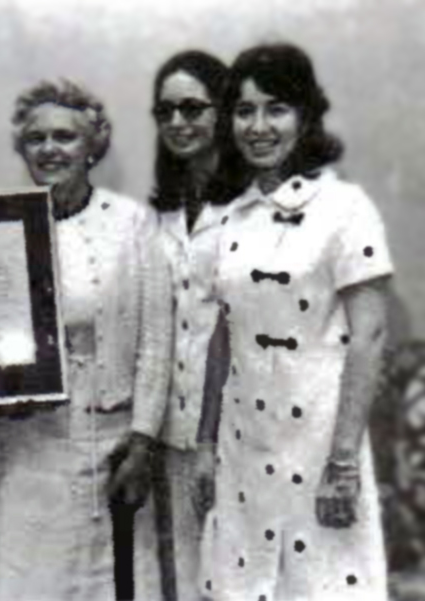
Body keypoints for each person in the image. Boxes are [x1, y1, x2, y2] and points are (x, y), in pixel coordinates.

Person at [0, 79, 173, 601]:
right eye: (37, 138)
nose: (51, 149)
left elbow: (156, 341)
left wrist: (143, 441)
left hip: (115, 445)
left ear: (91, 146)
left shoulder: (133, 225)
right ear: (22, 148)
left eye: (65, 136)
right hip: (25, 447)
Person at [199, 43, 391, 601]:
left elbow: (370, 337)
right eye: (244, 110)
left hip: (320, 442)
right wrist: (208, 444)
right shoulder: (226, 216)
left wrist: (342, 463)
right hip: (244, 447)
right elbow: (221, 337)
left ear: (305, 116)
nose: (258, 127)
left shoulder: (345, 208)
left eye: (276, 109)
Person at [148, 50, 237, 601]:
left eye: (192, 107)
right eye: (165, 111)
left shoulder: (254, 207)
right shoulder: (161, 213)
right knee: (183, 578)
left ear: (222, 110)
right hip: (172, 433)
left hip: (236, 429)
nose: (178, 122)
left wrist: (209, 440)